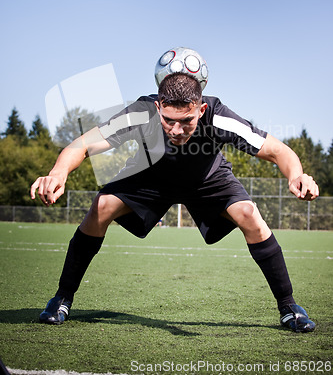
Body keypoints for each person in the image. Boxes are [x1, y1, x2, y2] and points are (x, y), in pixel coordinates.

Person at [31, 71, 319, 332]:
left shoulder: (218, 116)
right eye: (169, 121)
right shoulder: (141, 112)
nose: (177, 130)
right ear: (158, 107)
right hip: (151, 177)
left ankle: (289, 305)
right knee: (102, 206)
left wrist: (296, 175)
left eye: (187, 122)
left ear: (201, 109)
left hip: (207, 179)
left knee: (249, 213)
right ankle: (62, 297)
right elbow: (83, 144)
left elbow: (277, 150)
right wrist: (58, 173)